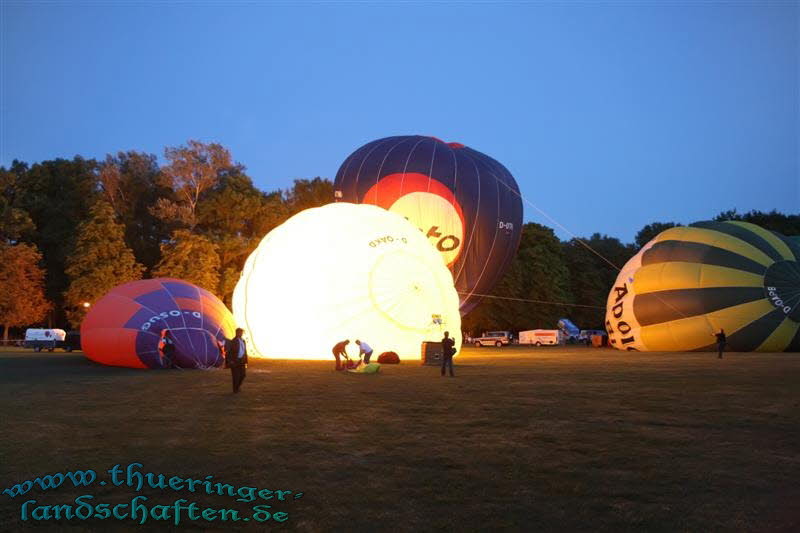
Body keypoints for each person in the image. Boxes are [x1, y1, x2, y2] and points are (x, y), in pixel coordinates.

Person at [225, 328, 248, 393]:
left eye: (242, 333)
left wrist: (246, 361)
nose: (241, 334)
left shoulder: (243, 341)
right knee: (235, 376)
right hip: (235, 361)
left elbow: (244, 351)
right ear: (237, 333)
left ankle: (238, 387)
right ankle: (235, 390)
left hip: (242, 361)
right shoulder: (233, 341)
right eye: (240, 332)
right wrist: (230, 361)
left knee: (243, 375)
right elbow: (228, 352)